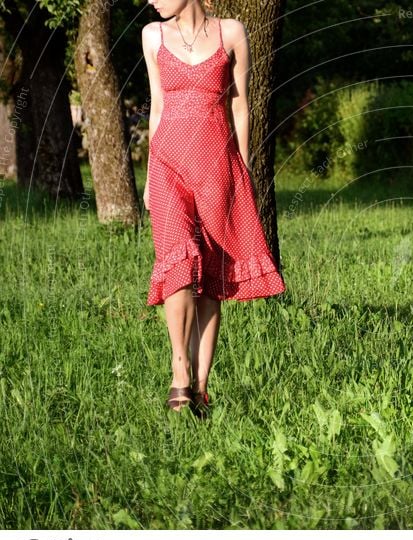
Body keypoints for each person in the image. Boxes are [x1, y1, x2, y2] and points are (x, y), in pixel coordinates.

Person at [142, 0, 285, 418]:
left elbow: (241, 108)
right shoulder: (152, 36)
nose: (150, 0)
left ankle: (201, 387)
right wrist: (150, 175)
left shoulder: (232, 32)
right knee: (176, 261)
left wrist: (242, 171)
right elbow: (157, 106)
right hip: (167, 164)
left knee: (210, 271)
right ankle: (179, 370)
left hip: (216, 164)